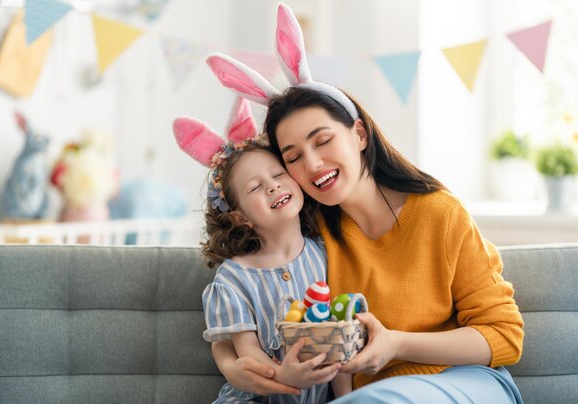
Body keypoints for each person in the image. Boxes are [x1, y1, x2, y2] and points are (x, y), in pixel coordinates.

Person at [205, 3, 525, 403]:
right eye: (293, 157)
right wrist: (230, 362)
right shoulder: (309, 231)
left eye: (323, 141)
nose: (313, 163)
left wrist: (397, 345)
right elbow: (241, 287)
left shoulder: (440, 214)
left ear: (358, 134)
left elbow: (504, 335)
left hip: (465, 382)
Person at [173, 97, 349, 403]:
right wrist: (282, 376)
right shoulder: (234, 279)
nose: (272, 186)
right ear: (239, 217)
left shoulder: (326, 253)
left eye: (279, 175)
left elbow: (342, 336)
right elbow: (249, 355)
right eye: (255, 187)